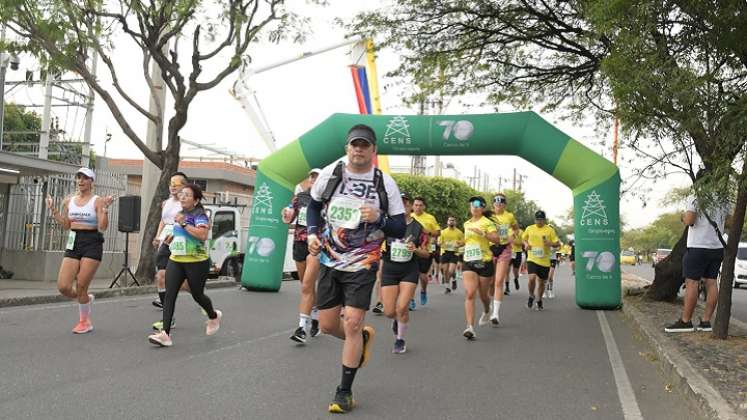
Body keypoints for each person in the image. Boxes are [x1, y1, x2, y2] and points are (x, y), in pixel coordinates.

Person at [305, 124, 406, 413]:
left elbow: (398, 227)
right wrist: (313, 233)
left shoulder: (384, 183)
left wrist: (379, 218)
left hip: (363, 261)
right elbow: (313, 206)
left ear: (374, 150)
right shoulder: (332, 173)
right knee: (326, 325)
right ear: (347, 148)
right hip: (329, 257)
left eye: (364, 145)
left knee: (350, 322)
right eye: (354, 145)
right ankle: (361, 339)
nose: (358, 149)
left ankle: (344, 392)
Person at [148, 184, 222, 347]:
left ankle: (213, 315)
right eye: (181, 194)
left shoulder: (200, 215)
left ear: (195, 201)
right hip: (176, 259)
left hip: (196, 262)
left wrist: (183, 225)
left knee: (197, 295)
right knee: (170, 294)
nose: (182, 197)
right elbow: (180, 235)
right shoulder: (180, 214)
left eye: (187, 195)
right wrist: (170, 239)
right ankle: (165, 334)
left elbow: (202, 235)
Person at [46, 168, 113, 334]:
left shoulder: (97, 201)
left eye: (85, 178)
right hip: (73, 240)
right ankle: (85, 299)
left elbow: (103, 227)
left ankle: (85, 322)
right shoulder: (70, 201)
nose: (81, 181)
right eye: (79, 178)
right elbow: (67, 225)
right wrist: (53, 210)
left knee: (82, 284)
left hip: (92, 241)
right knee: (63, 287)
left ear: (92, 182)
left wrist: (104, 210)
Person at [664, 195, 729, 333]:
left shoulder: (695, 196)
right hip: (717, 247)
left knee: (691, 282)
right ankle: (706, 322)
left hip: (698, 246)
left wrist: (683, 217)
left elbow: (689, 219)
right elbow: (729, 221)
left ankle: (686, 321)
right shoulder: (724, 198)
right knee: (711, 283)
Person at [381, 192, 429, 353]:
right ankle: (396, 320)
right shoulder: (387, 224)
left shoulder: (418, 227)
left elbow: (426, 252)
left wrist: (415, 250)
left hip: (409, 269)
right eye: (398, 203)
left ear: (410, 207)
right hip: (389, 268)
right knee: (388, 311)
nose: (402, 206)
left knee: (402, 307)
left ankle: (400, 340)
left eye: (405, 204)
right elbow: (372, 240)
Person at [283, 168, 322, 344]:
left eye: (317, 177)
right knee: (305, 285)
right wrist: (286, 214)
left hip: (315, 244)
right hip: (299, 242)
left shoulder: (326, 199)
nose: (314, 179)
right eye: (312, 177)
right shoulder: (300, 197)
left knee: (307, 285)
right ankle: (314, 316)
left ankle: (301, 328)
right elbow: (290, 217)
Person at [151, 172, 189, 331]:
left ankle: (203, 301)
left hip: (180, 243)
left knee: (185, 284)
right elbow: (163, 220)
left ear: (184, 186)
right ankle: (168, 318)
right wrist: (157, 237)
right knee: (161, 277)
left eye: (177, 183)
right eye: (171, 183)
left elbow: (188, 223)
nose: (173, 186)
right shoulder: (166, 202)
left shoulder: (186, 202)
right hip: (165, 244)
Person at [461, 195, 500, 339]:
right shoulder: (466, 224)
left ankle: (486, 309)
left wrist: (483, 234)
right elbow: (468, 240)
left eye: (477, 204)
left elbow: (496, 240)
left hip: (484, 262)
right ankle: (470, 327)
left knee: (483, 295)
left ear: (483, 208)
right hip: (469, 261)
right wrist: (461, 243)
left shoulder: (487, 223)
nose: (474, 207)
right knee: (470, 293)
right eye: (472, 204)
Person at [487, 193, 520, 325]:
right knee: (490, 281)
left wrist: (513, 236)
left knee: (499, 281)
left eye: (501, 202)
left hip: (505, 249)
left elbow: (516, 229)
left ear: (505, 204)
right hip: (489, 249)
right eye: (496, 202)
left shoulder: (509, 216)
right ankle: (489, 305)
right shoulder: (488, 216)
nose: (499, 204)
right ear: (493, 204)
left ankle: (495, 313)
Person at [522, 211, 560, 311]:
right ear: (534, 220)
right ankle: (531, 295)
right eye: (537, 220)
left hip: (544, 261)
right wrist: (526, 244)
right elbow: (524, 239)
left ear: (544, 220)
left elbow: (557, 244)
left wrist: (550, 243)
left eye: (541, 220)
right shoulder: (529, 228)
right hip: (532, 258)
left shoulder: (549, 230)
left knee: (542, 283)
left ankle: (539, 300)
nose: (539, 222)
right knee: (532, 278)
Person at [411, 197, 440, 307]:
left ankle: (423, 290)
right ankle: (411, 299)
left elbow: (438, 232)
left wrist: (429, 232)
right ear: (413, 206)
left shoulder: (430, 218)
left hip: (425, 250)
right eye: (416, 205)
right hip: (411, 249)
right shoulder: (410, 216)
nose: (418, 207)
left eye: (420, 205)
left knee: (422, 276)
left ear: (424, 206)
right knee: (412, 275)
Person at [438, 216, 464, 294]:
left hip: (454, 253)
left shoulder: (459, 232)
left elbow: (463, 242)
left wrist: (459, 245)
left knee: (450, 271)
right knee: (445, 271)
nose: (451, 222)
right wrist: (439, 243)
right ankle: (447, 287)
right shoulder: (443, 232)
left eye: (453, 220)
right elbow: (439, 242)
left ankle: (453, 279)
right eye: (450, 220)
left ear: (455, 222)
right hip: (445, 252)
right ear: (447, 222)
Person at [510, 226, 524, 291]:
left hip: (517, 252)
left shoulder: (521, 232)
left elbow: (523, 243)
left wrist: (515, 242)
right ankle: (507, 287)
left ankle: (516, 279)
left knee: (515, 271)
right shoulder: (508, 231)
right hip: (508, 252)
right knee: (506, 270)